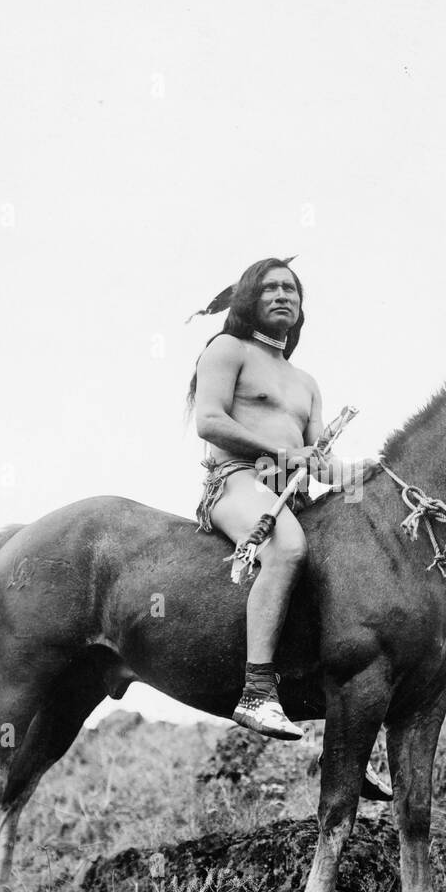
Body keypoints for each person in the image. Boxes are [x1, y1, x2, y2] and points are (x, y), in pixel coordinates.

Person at [186, 256, 323, 739]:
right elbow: (210, 421)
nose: (283, 295)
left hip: (292, 493)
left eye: (291, 289)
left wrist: (364, 473)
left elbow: (318, 462)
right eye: (271, 288)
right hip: (237, 480)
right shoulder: (227, 349)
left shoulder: (306, 382)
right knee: (287, 548)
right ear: (249, 298)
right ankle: (256, 693)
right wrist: (286, 452)